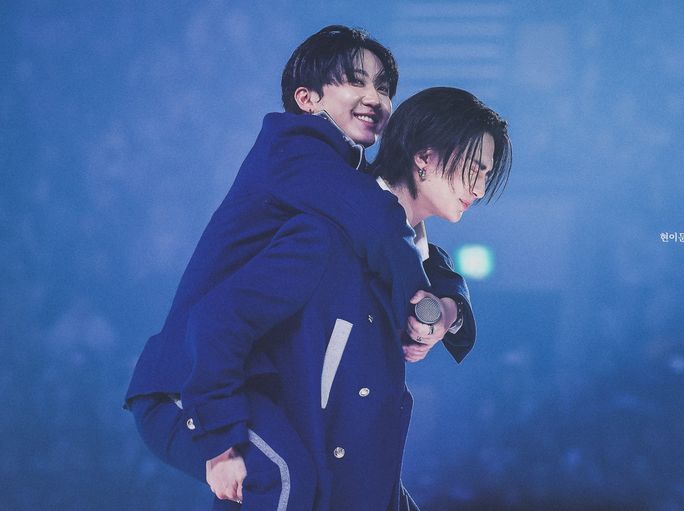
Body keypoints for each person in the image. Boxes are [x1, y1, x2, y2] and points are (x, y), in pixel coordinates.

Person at [124, 26, 478, 510]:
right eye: (356, 81)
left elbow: (407, 238)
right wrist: (418, 311)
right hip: (187, 375)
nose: (374, 96)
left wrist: (445, 303)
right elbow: (381, 219)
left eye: (384, 87)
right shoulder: (290, 149)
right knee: (286, 477)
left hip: (236, 373)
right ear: (307, 99)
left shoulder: (340, 180)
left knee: (306, 479)